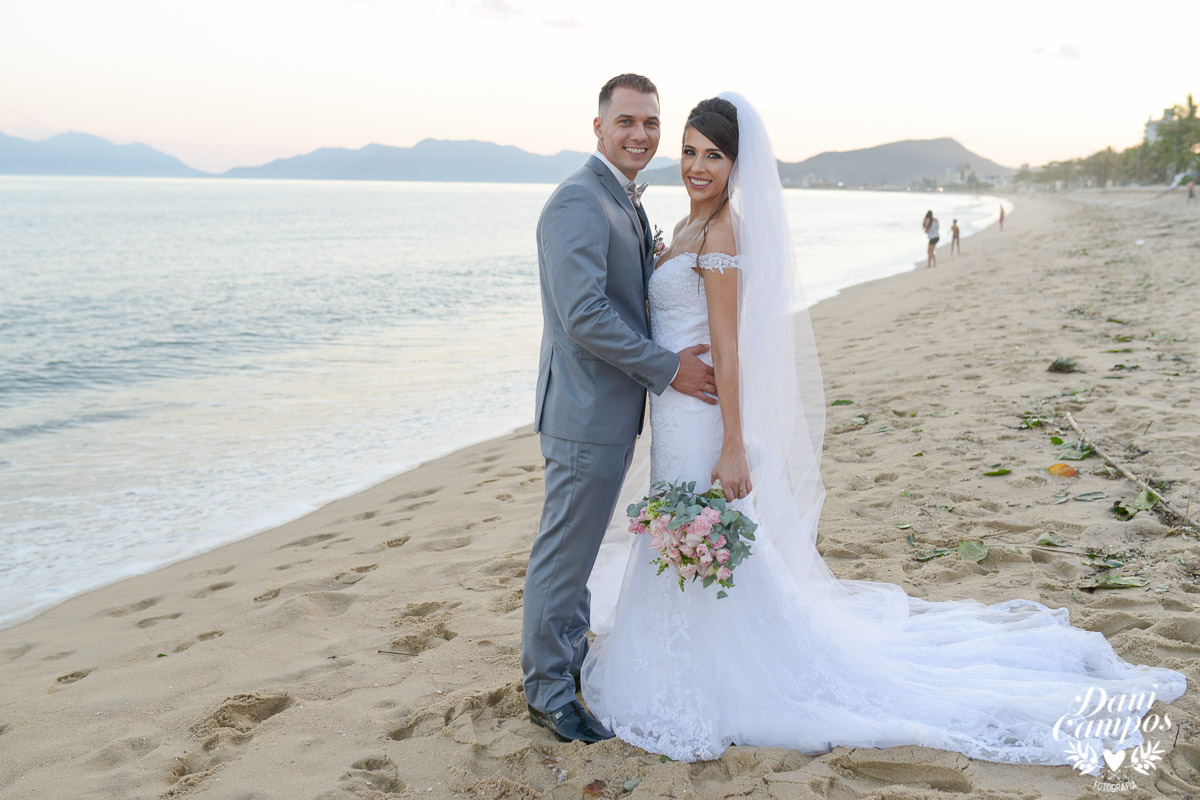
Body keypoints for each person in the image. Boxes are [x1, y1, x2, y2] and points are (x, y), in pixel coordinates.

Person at [581, 92, 1186, 768]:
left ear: (736, 164)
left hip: (700, 420)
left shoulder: (723, 231)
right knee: (691, 544)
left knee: (707, 544)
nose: (697, 166)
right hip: (673, 416)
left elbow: (729, 349)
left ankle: (712, 674)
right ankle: (678, 661)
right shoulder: (689, 226)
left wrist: (731, 444)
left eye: (713, 156)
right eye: (689, 151)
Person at [523, 74, 717, 745]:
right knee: (562, 555)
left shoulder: (623, 200)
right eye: (627, 121)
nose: (640, 134)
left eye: (650, 123)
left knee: (575, 556)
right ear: (599, 126)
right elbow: (583, 315)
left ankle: (567, 660)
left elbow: (623, 294)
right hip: (582, 412)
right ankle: (548, 692)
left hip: (607, 410)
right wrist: (668, 369)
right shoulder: (579, 201)